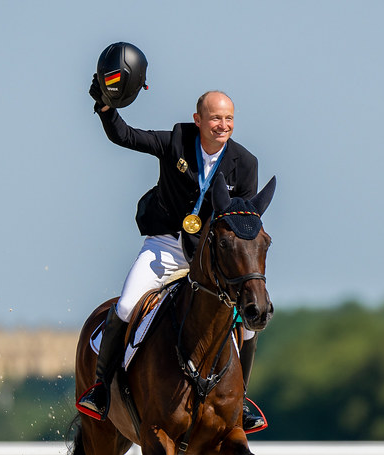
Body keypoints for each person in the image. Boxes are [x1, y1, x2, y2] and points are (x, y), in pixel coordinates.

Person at [77, 83, 266, 432]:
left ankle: (241, 401)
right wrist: (105, 107)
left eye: (228, 119)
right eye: (214, 118)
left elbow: (243, 224)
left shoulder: (246, 163)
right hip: (166, 247)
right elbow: (126, 136)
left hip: (211, 260)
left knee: (248, 327)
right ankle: (102, 389)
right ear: (198, 119)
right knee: (124, 305)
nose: (222, 125)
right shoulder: (176, 141)